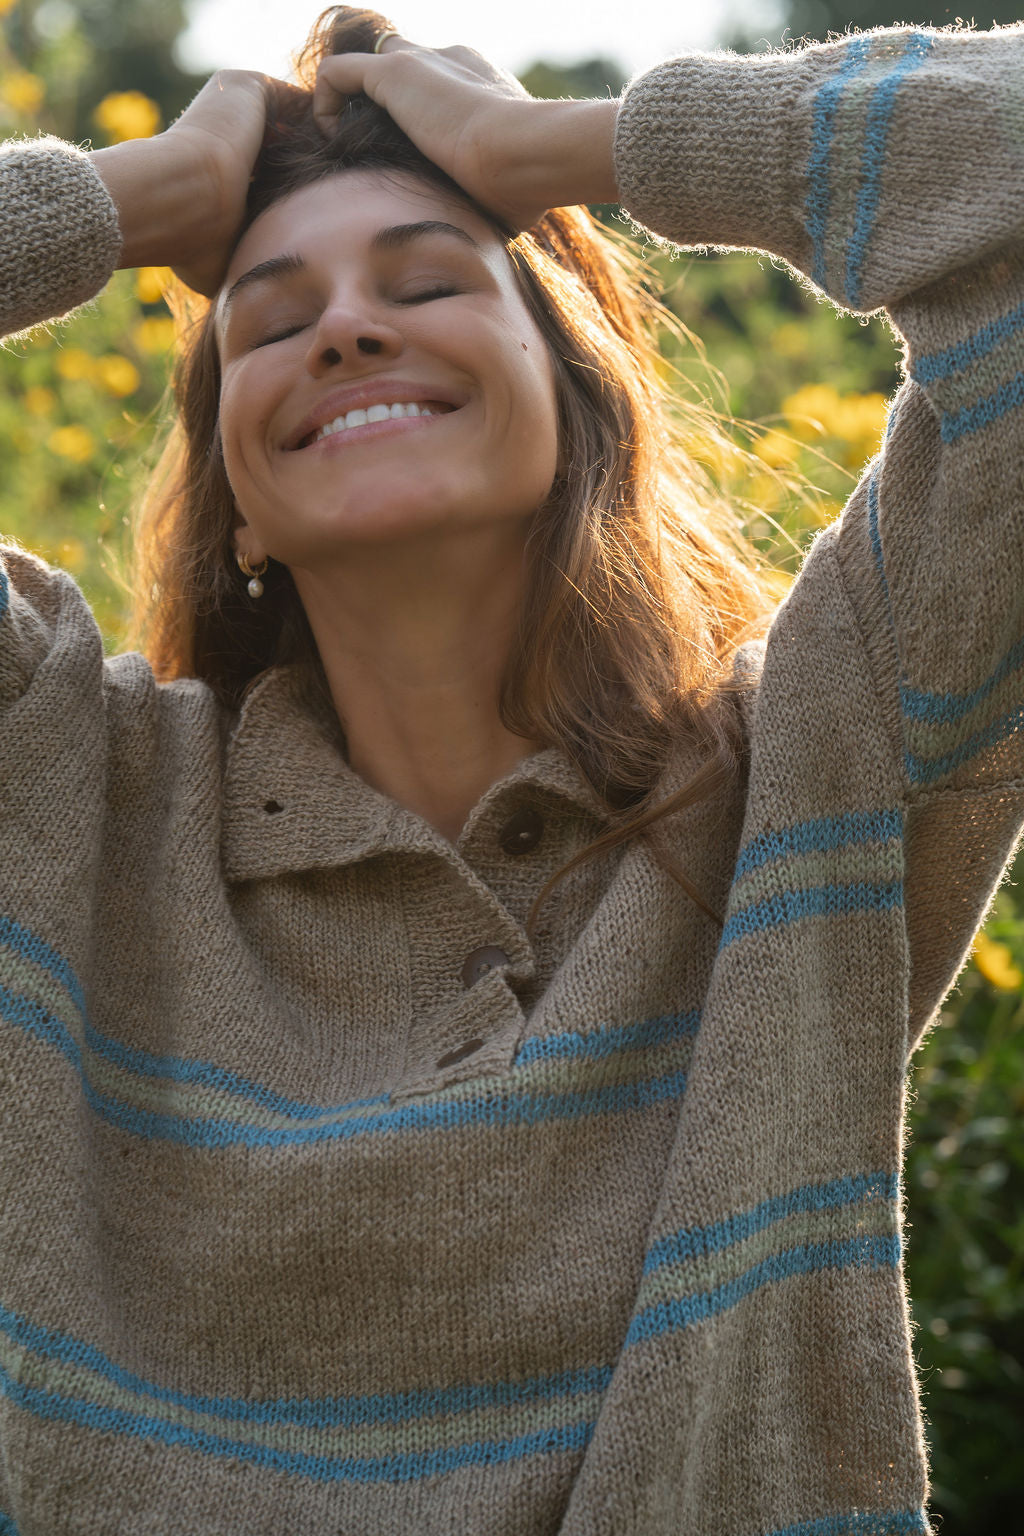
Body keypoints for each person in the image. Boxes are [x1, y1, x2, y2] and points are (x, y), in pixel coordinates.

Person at [0, 6, 1021, 1532]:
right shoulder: (58, 785)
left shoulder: (824, 758)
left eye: (428, 284)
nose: (348, 330)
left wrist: (569, 146)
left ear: (576, 405)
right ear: (237, 505)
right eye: (271, 325)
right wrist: (126, 199)